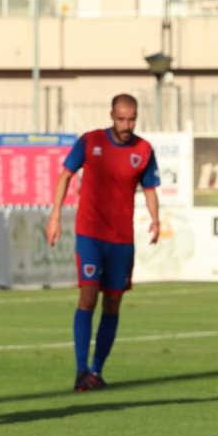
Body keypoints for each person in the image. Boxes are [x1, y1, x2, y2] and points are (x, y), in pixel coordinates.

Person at [45, 94, 161, 392]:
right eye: (121, 118)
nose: (126, 124)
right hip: (90, 235)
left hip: (121, 239)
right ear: (112, 115)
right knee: (88, 296)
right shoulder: (90, 141)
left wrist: (155, 219)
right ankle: (81, 370)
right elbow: (65, 175)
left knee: (113, 302)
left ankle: (96, 371)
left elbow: (149, 189)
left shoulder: (144, 150)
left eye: (132, 119)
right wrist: (55, 214)